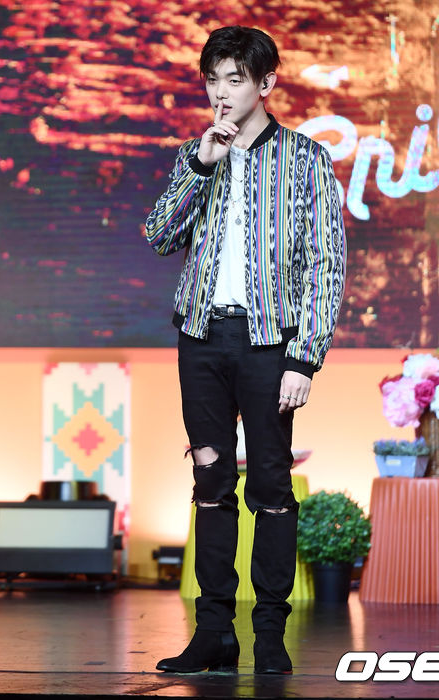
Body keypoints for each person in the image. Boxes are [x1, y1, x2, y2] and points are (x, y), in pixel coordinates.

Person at [145, 25, 346, 675]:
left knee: (271, 487)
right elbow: (158, 235)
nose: (221, 93)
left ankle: (269, 635)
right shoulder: (195, 153)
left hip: (268, 344)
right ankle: (214, 634)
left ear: (266, 84)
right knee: (210, 481)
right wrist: (201, 165)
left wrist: (304, 357)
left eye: (235, 79)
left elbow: (325, 265)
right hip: (201, 337)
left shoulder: (306, 159)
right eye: (213, 80)